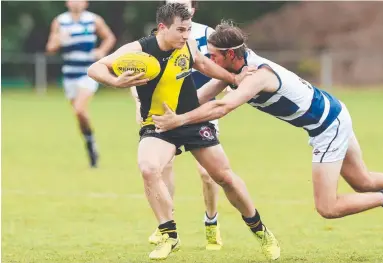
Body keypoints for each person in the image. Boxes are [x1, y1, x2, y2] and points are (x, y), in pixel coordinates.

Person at [152, 21, 383, 226]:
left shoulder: (257, 75)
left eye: (213, 55)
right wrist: (159, 117)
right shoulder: (234, 69)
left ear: (230, 55)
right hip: (334, 111)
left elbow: (223, 106)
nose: (208, 60)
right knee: (363, 181)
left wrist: (179, 120)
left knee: (327, 208)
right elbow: (203, 97)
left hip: (327, 126)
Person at [88, 3, 280, 260]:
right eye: (180, 30)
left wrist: (234, 79)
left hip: (192, 119)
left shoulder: (187, 44)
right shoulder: (139, 49)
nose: (186, 35)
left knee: (224, 178)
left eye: (189, 29)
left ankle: (261, 232)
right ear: (162, 28)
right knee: (148, 167)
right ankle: (169, 235)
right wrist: (114, 81)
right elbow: (96, 68)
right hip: (159, 124)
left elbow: (202, 63)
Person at [130, 0, 224, 251]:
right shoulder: (161, 33)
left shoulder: (207, 35)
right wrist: (139, 104)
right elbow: (138, 67)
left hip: (200, 108)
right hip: (165, 112)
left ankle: (211, 221)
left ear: (194, 8)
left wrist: (211, 94)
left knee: (207, 173)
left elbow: (218, 65)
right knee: (160, 167)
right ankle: (166, 227)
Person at [46, 0, 116, 168]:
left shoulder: (94, 20)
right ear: (67, 3)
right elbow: (50, 47)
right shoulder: (60, 21)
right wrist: (59, 40)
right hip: (69, 74)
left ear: (86, 3)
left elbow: (109, 38)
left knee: (79, 108)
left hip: (89, 73)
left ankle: (91, 146)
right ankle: (91, 143)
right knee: (80, 115)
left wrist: (101, 51)